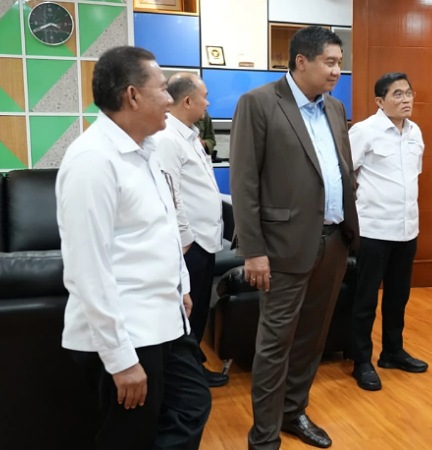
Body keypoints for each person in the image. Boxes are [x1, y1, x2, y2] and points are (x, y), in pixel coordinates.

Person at [56, 46, 211, 450]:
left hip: (165, 320)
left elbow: (162, 225)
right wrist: (121, 359)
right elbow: (86, 270)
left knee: (191, 405)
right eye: (162, 89)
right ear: (133, 96)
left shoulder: (148, 151)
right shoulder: (93, 161)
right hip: (127, 333)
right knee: (129, 435)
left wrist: (181, 285)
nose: (169, 99)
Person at [229, 26, 359, 450]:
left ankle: (293, 411)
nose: (337, 70)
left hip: (333, 241)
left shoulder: (336, 108)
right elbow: (244, 183)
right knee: (274, 344)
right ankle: (263, 436)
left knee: (312, 338)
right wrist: (253, 251)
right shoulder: (260, 104)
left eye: (340, 62)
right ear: (301, 61)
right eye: (330, 62)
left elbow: (340, 171)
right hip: (281, 247)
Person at [348, 73, 428, 392]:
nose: (406, 99)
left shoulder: (415, 132)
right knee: (365, 300)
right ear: (380, 101)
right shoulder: (364, 131)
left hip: (407, 229)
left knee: (398, 298)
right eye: (397, 94)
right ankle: (361, 361)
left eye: (409, 92)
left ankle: (392, 352)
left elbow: (413, 176)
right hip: (373, 231)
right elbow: (346, 174)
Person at [155, 73, 228, 387]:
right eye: (204, 96)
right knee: (188, 310)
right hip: (191, 243)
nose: (208, 102)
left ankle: (194, 363)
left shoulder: (190, 134)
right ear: (187, 101)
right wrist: (186, 239)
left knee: (197, 309)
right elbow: (171, 194)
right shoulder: (168, 139)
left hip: (205, 239)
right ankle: (187, 375)